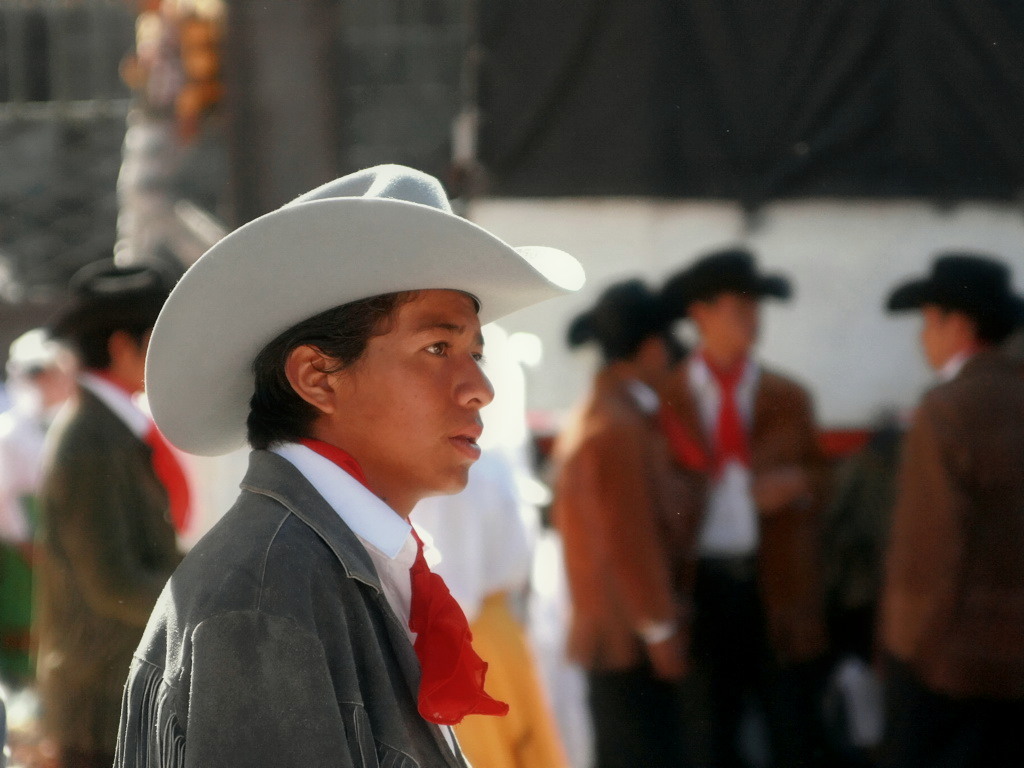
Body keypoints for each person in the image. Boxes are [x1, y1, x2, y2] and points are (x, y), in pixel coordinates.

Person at [113, 164, 584, 767]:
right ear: (318, 377)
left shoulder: (315, 563)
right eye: (438, 348)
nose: (480, 388)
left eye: (475, 351)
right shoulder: (269, 595)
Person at [660, 247, 828, 768]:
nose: (753, 320)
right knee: (707, 736)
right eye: (740, 308)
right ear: (700, 314)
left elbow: (824, 478)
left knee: (790, 730)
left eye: (757, 308)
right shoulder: (667, 398)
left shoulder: (787, 395)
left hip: (773, 584)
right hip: (701, 587)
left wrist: (798, 482)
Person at [551, 279, 706, 768]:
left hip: (616, 636)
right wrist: (660, 630)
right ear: (654, 348)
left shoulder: (604, 414)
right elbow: (630, 540)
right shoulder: (618, 425)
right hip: (629, 642)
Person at [35, 260, 183, 768]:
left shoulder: (108, 430)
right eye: (160, 338)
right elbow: (113, 584)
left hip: (114, 688)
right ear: (123, 346)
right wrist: (205, 609)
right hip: (102, 701)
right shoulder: (92, 441)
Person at [879, 252, 1024, 768]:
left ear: (958, 324)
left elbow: (931, 548)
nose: (922, 337)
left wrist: (905, 652)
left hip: (951, 661)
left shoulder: (945, 410)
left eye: (927, 321)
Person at [0, 329, 74, 685]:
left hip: (59, 541)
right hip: (21, 552)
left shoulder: (64, 422)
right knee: (21, 626)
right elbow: (5, 495)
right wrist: (25, 540)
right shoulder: (10, 431)